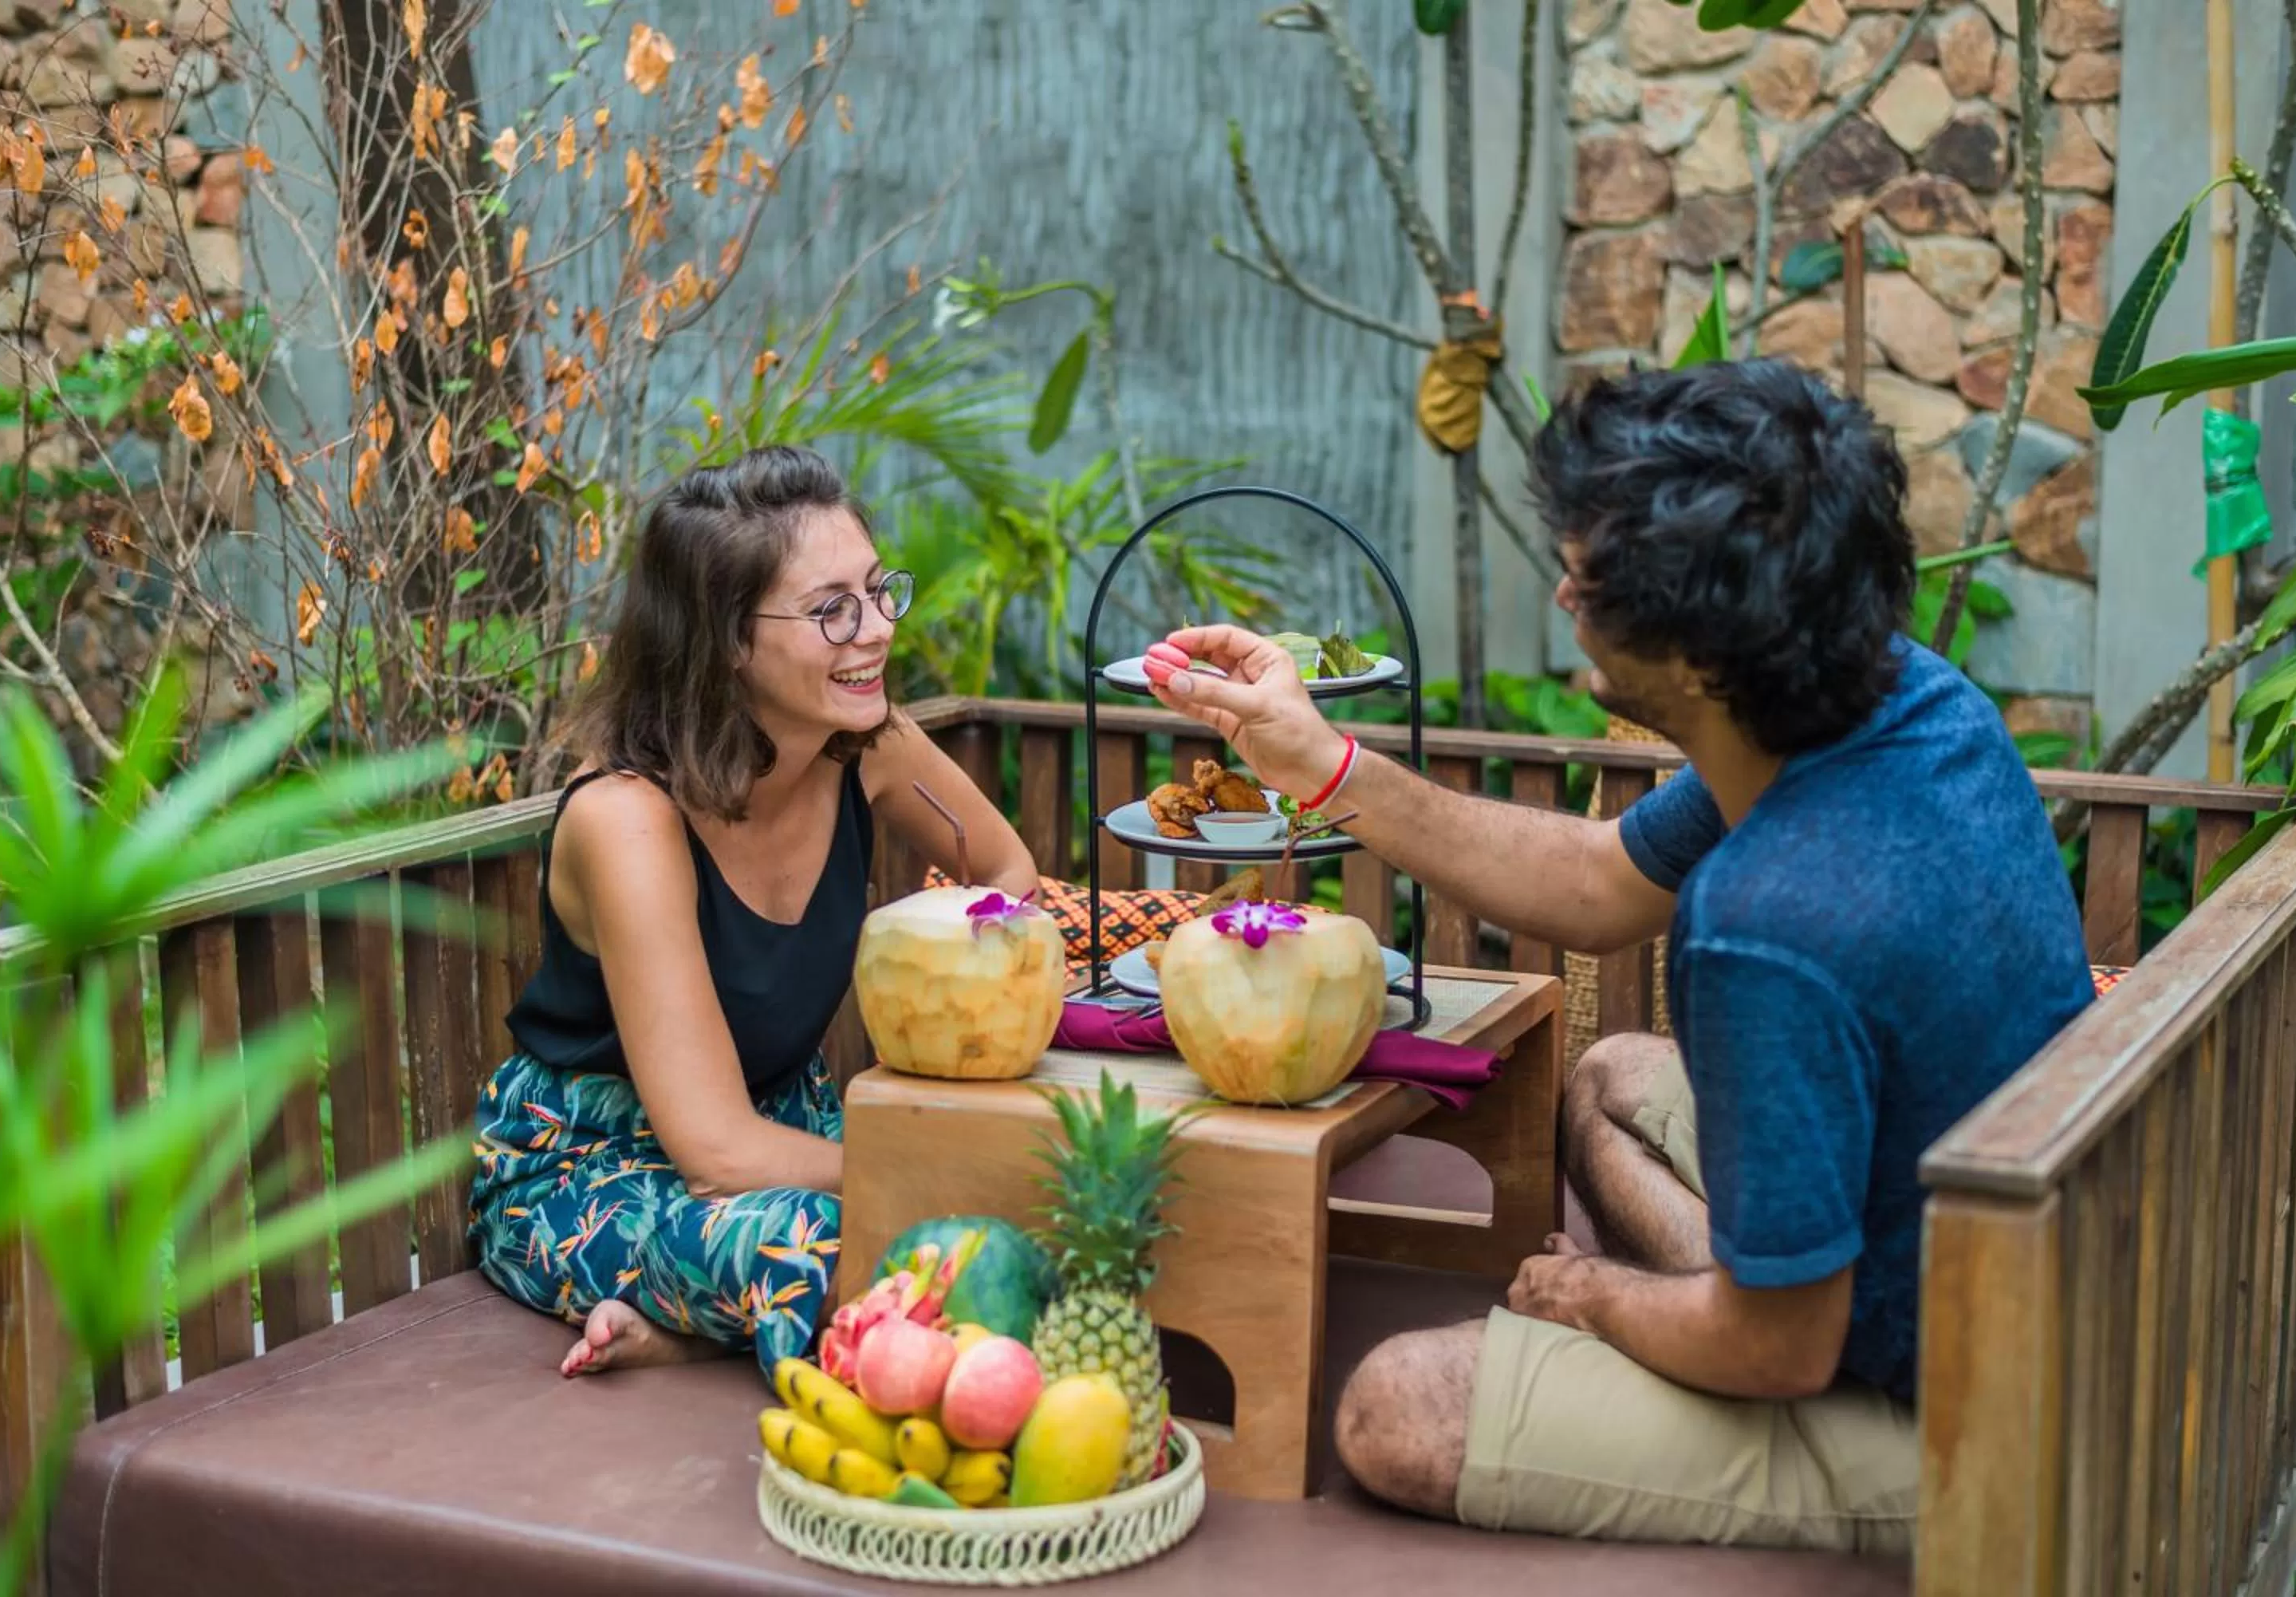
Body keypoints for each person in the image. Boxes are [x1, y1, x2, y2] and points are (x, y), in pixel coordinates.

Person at [1140, 358, 2094, 1554]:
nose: (1562, 594)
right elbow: (1595, 883)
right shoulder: (1900, 701)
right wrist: (1322, 764)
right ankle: (1715, 1294)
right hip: (2016, 1260)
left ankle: (1726, 1333)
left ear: (1696, 655)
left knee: (1394, 1406)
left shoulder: (1769, 918)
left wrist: (1594, 1294)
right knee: (1610, 1079)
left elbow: (1784, 1347)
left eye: (1589, 582)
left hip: (1969, 1412)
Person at [468, 445, 1038, 1384]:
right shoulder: (629, 820)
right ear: (729, 637)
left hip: (785, 1132)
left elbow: (1008, 870)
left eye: (878, 591)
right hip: (592, 1171)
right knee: (831, 1237)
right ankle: (707, 1314)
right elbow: (714, 1150)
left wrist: (953, 965)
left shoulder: (867, 746)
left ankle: (684, 1329)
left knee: (972, 1218)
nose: (877, 630)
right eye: (832, 610)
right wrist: (928, 1168)